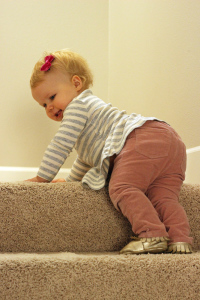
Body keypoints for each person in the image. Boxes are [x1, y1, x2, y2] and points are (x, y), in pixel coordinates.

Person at [27, 49, 193, 254]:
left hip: (141, 136)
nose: (49, 107)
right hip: (170, 140)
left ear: (76, 83)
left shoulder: (77, 106)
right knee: (163, 197)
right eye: (43, 105)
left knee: (122, 187)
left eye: (52, 97)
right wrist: (70, 182)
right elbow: (87, 158)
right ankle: (180, 239)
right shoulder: (92, 113)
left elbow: (61, 144)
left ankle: (151, 234)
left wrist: (42, 178)